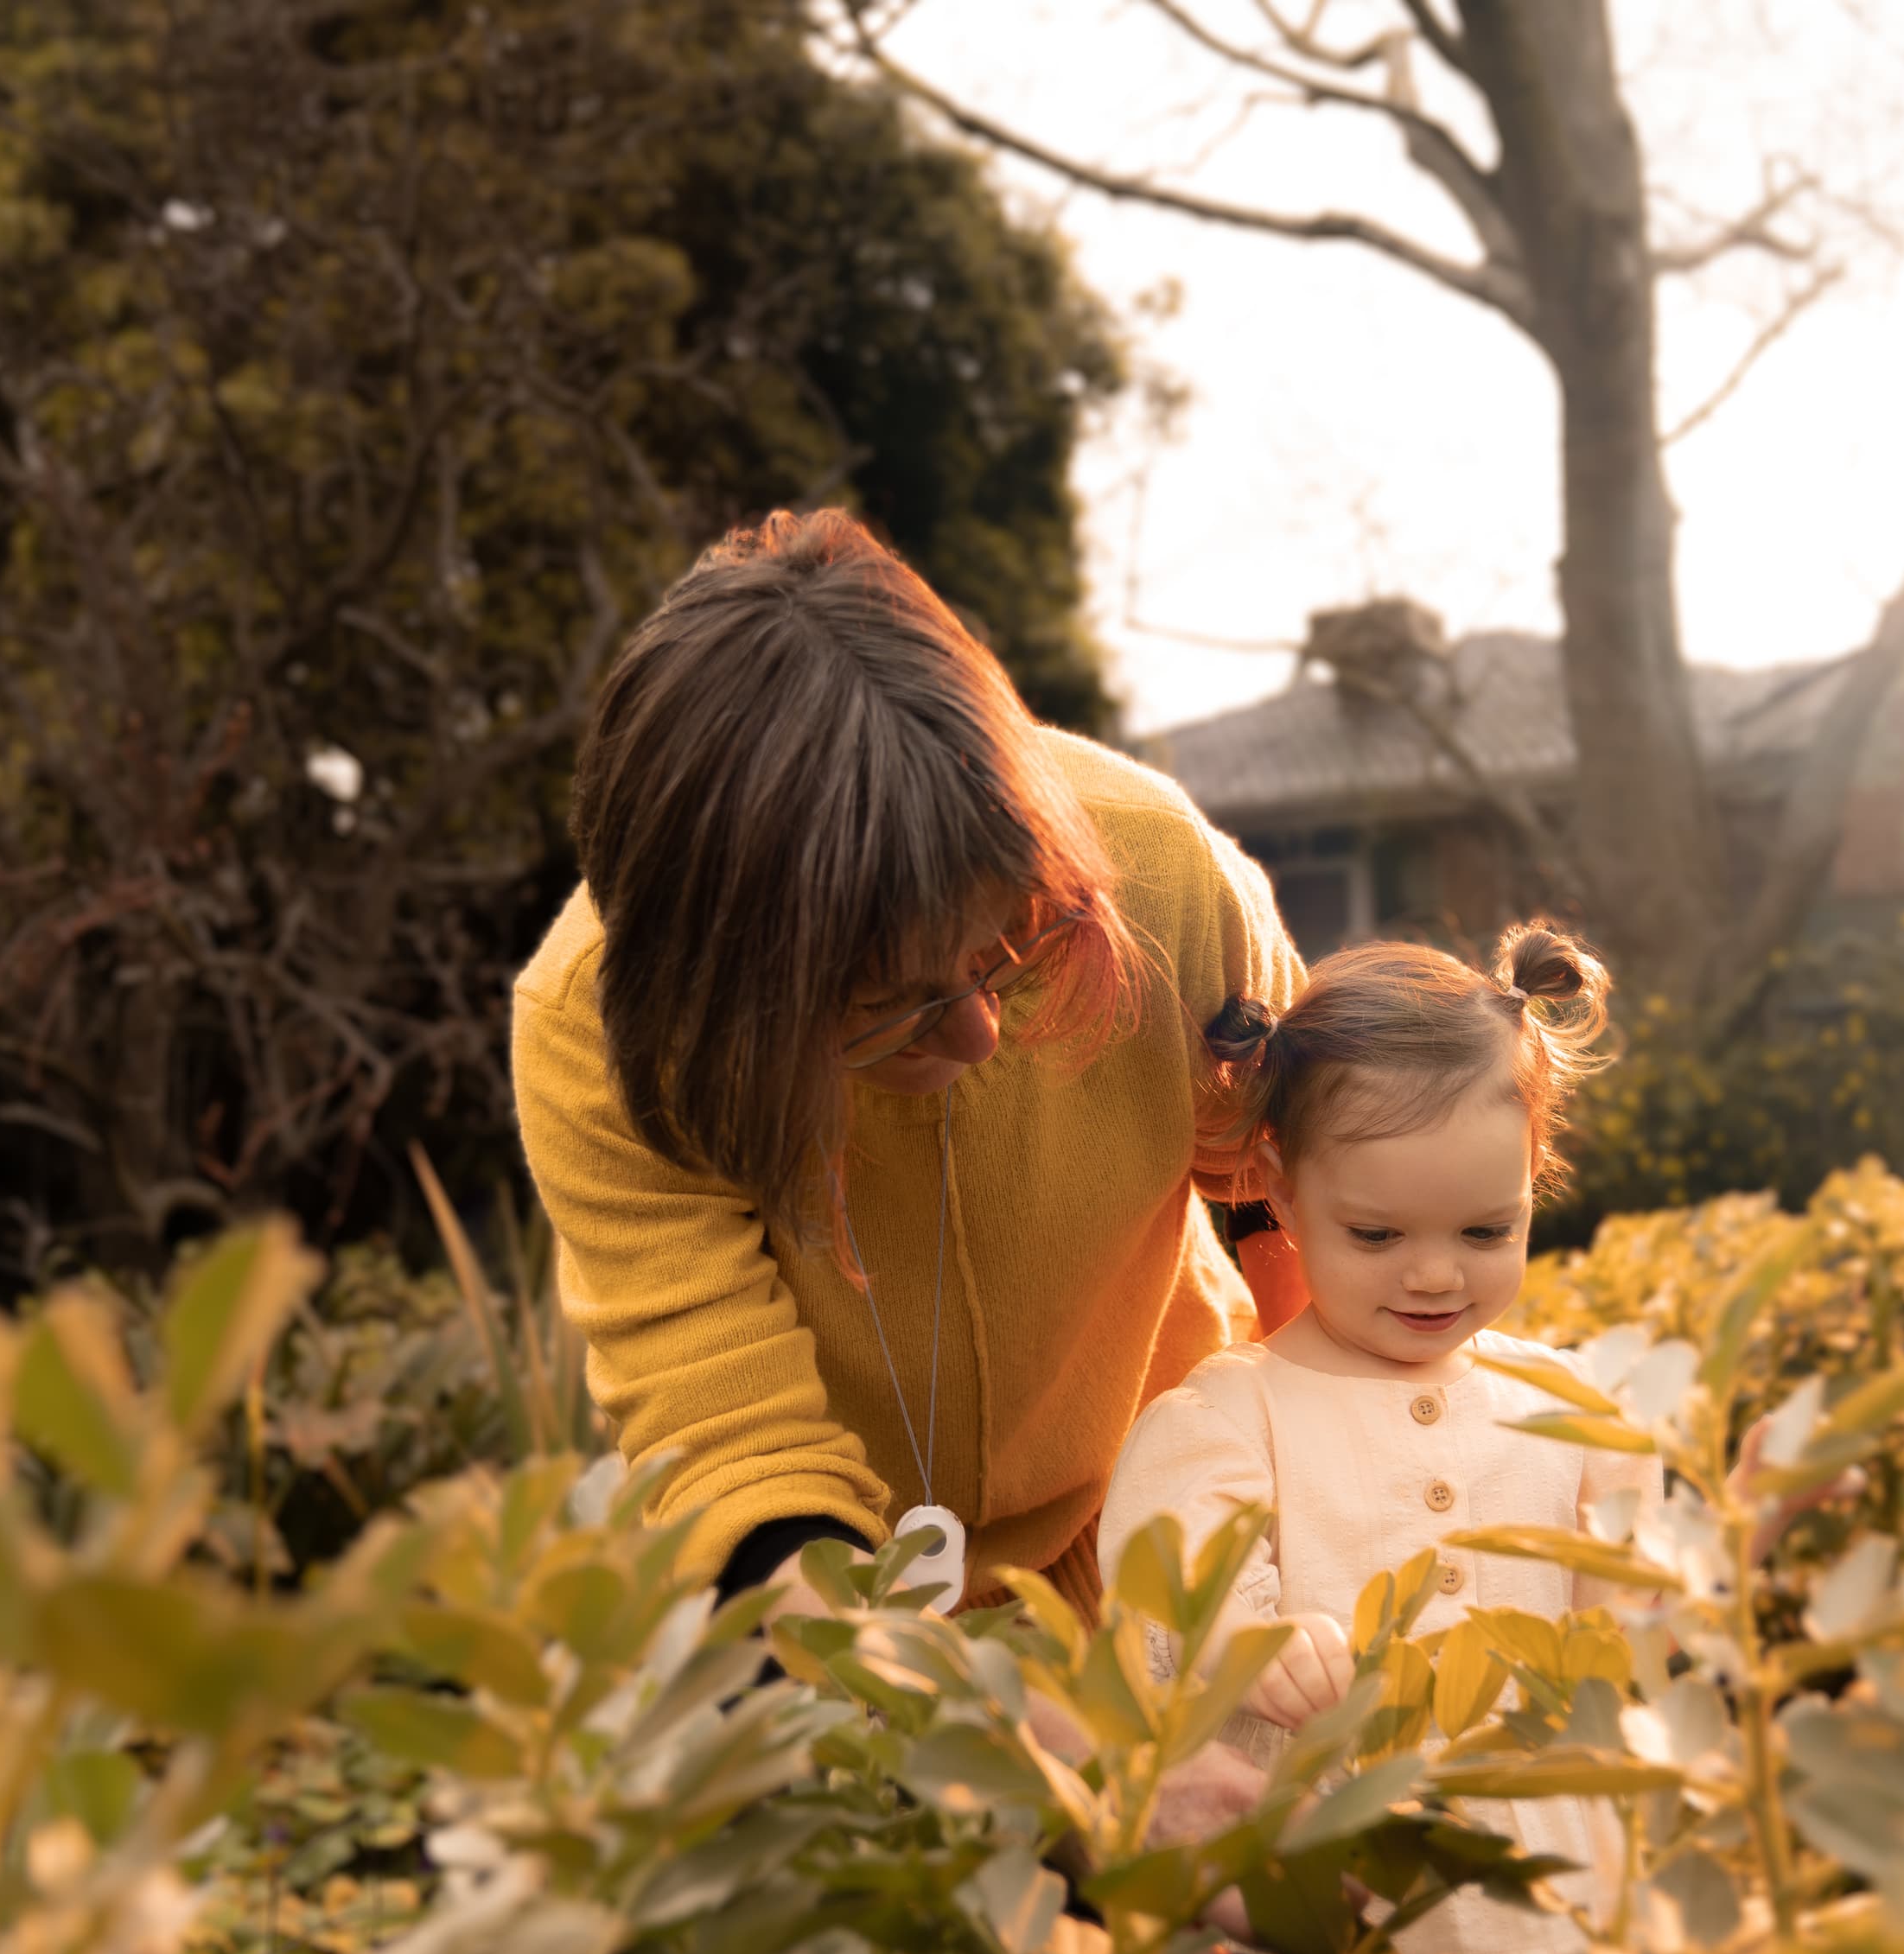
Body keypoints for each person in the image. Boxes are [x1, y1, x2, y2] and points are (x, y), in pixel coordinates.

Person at [510, 506, 1307, 1633]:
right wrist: (964, 1716)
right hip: (843, 1593)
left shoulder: (1151, 869)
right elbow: (733, 1442)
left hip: (1170, 1520)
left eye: (1008, 952)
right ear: (741, 998)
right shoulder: (603, 1029)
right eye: (893, 1005)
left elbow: (1300, 1170)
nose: (980, 1034)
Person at [1080, 923, 1694, 1954]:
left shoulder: (1566, 1409)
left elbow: (1634, 1627)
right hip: (1308, 1877)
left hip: (1543, 1893)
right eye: (1375, 1237)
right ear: (1278, 1185)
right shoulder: (1222, 1418)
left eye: (1487, 1230)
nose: (1434, 1275)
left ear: (1535, 1181)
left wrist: (1695, 1566)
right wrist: (1248, 1644)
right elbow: (1159, 1607)